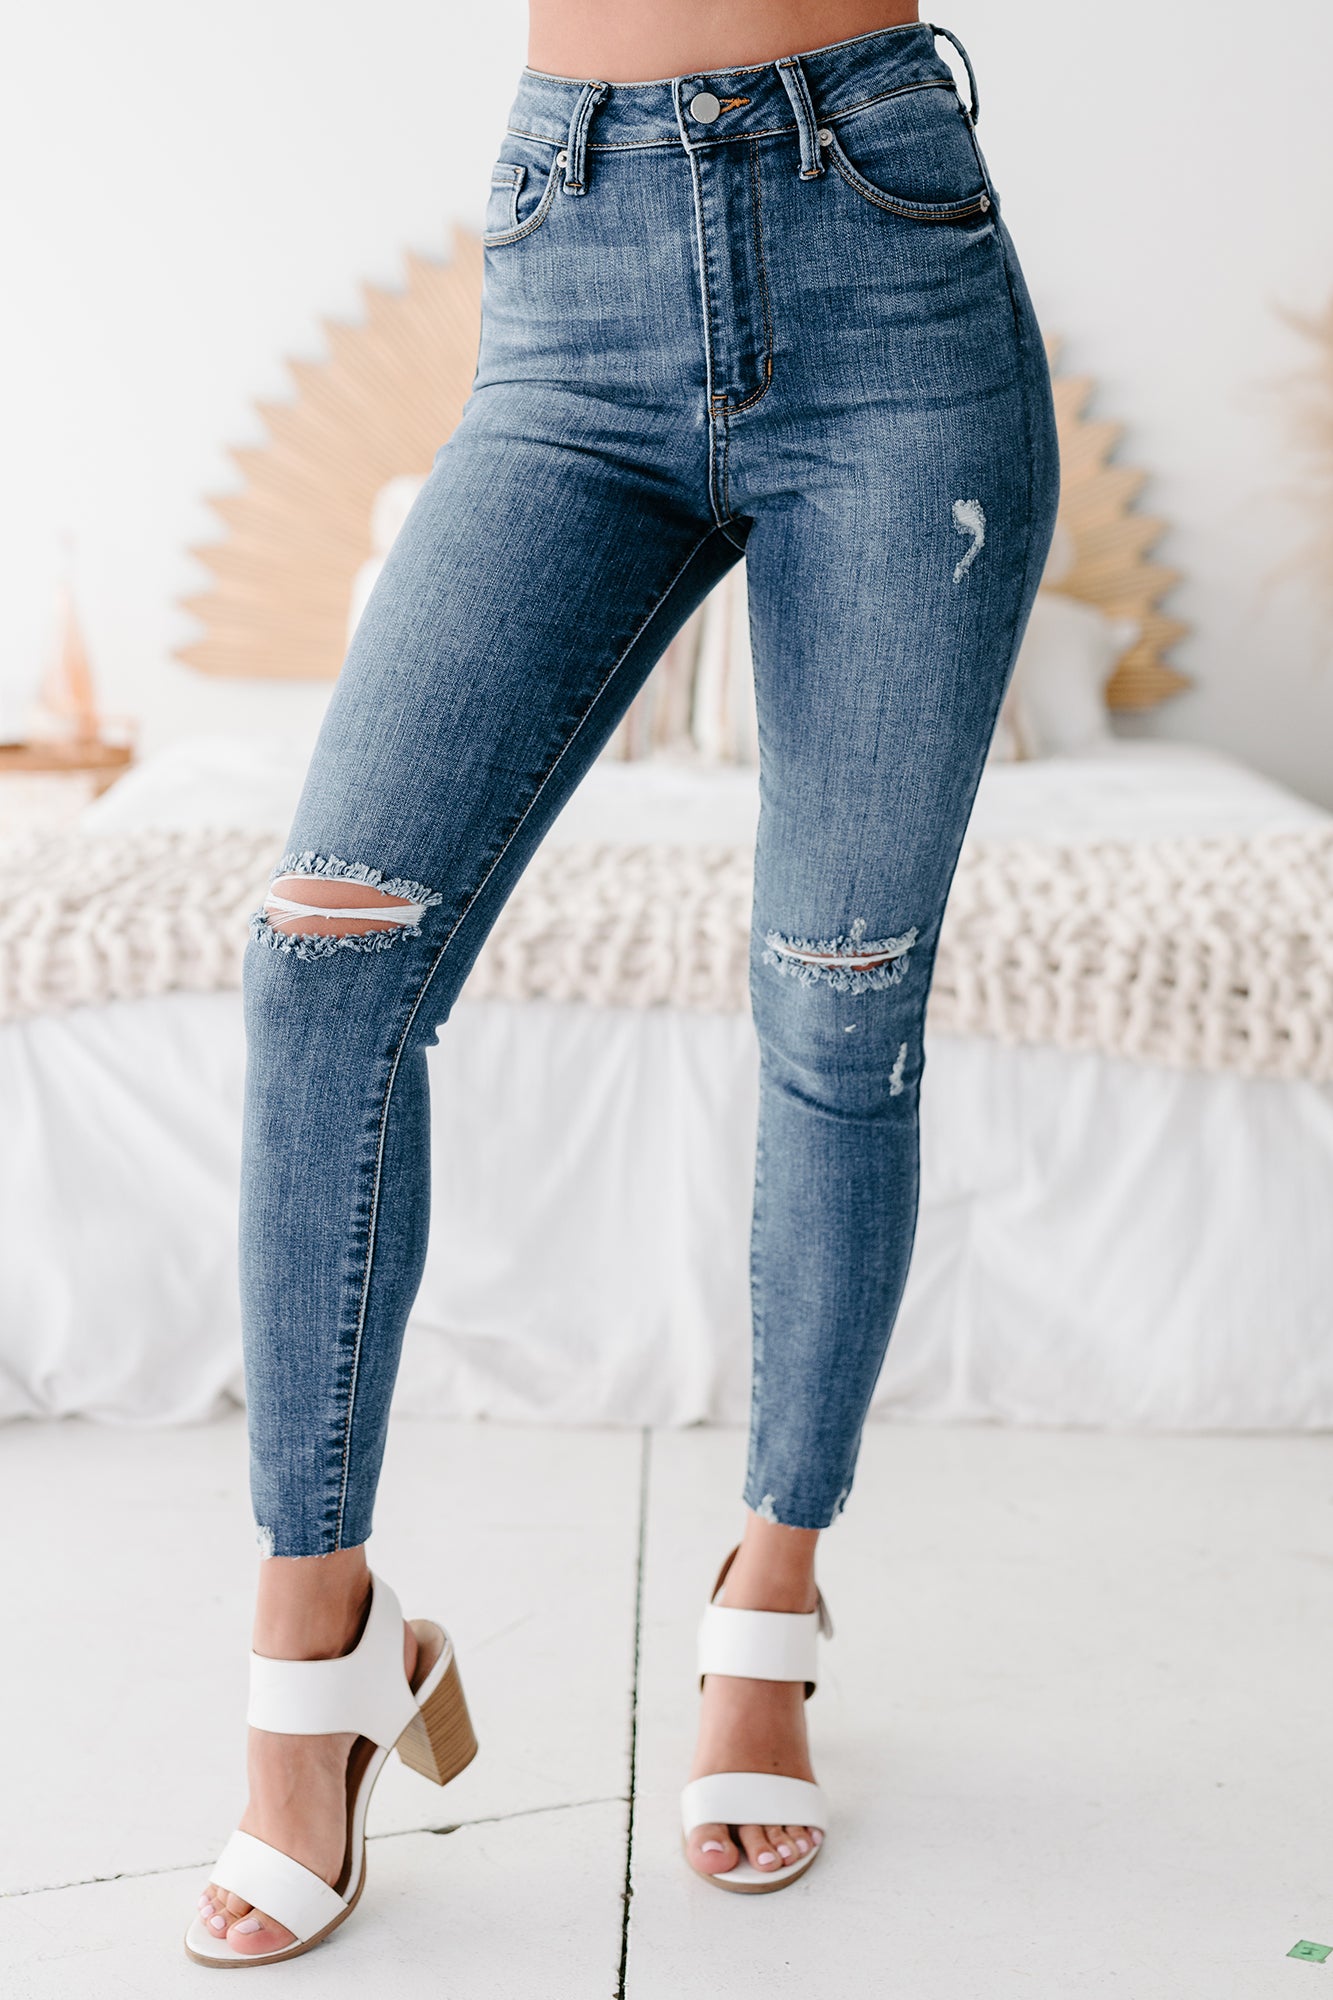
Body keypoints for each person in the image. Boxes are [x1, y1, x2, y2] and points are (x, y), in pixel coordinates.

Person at [185, 0, 1058, 1965]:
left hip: (885, 251)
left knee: (837, 992)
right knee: (324, 958)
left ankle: (772, 1587)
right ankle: (319, 1643)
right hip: (571, 255)